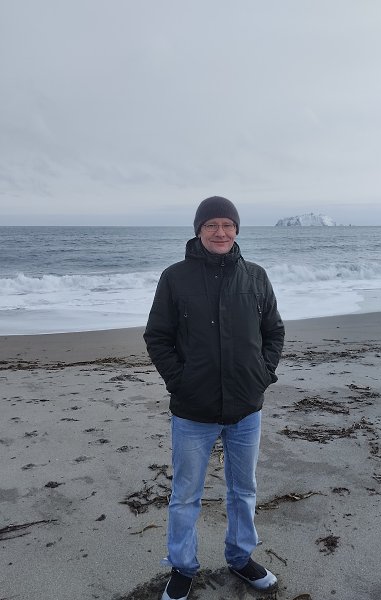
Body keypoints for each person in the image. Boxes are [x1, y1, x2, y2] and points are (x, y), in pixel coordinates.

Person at [143, 196, 285, 600]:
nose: (220, 232)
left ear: (236, 230)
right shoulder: (175, 277)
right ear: (198, 231)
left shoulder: (255, 276)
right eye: (211, 225)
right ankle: (183, 568)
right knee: (185, 495)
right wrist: (180, 382)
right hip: (193, 411)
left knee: (244, 490)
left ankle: (240, 557)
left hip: (246, 409)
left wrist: (263, 375)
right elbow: (157, 337)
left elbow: (274, 331)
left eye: (227, 225)